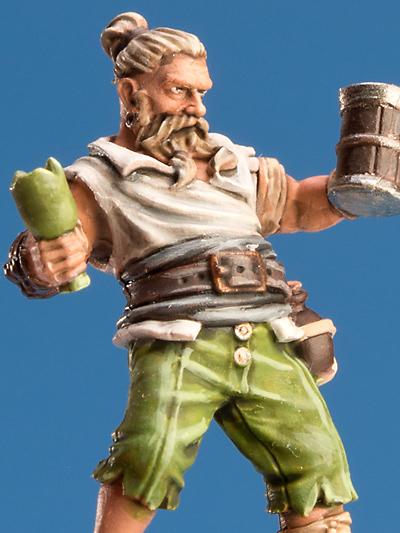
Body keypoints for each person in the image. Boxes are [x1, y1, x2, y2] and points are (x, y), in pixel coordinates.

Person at [4, 12, 357, 533]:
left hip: (267, 334)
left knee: (317, 462)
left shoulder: (232, 164)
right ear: (131, 94)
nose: (196, 107)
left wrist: (353, 188)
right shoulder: (100, 178)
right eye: (179, 91)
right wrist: (43, 259)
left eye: (201, 92)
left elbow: (300, 206)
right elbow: (47, 249)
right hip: (178, 340)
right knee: (148, 458)